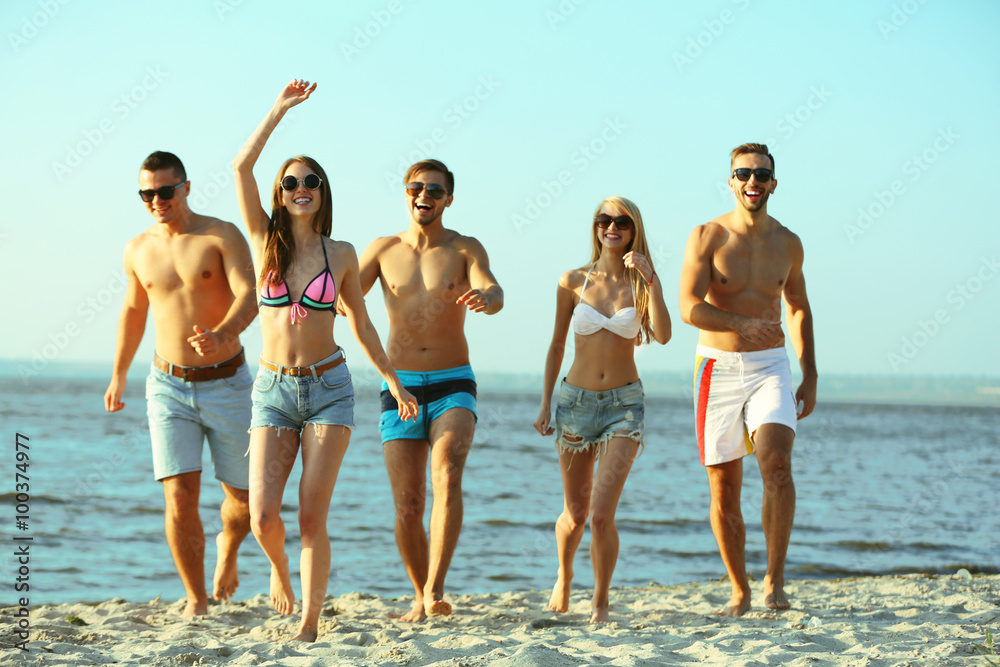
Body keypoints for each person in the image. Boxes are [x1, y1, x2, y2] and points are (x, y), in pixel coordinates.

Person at [233, 79, 418, 642]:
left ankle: (310, 624)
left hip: (329, 388)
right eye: (291, 182)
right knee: (262, 516)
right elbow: (240, 167)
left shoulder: (341, 254)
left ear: (323, 191)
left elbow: (360, 323)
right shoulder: (265, 241)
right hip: (271, 389)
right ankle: (278, 568)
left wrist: (393, 381)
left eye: (311, 181)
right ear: (280, 192)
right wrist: (277, 111)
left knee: (311, 516)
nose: (301, 188)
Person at [104, 151, 257, 617]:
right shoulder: (137, 248)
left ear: (185, 187)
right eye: (147, 193)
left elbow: (250, 293)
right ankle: (196, 599)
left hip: (228, 383)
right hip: (167, 384)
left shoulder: (220, 234)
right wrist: (119, 373)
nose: (156, 200)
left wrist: (224, 334)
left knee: (246, 501)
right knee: (179, 493)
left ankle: (228, 547)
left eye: (165, 191)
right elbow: (133, 311)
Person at [357, 158, 503, 621]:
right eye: (417, 187)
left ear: (448, 199)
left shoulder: (464, 248)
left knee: (448, 472)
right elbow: (340, 296)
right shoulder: (382, 249)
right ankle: (419, 595)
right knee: (409, 502)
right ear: (406, 192)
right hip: (397, 387)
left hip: (452, 380)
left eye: (435, 190)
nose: (425, 195)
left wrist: (490, 299)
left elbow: (493, 289)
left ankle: (437, 587)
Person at [678, 143, 816, 616]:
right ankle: (738, 588)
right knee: (724, 487)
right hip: (715, 369)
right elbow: (689, 306)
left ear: (773, 183)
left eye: (761, 174)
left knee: (777, 464)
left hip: (771, 367)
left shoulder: (789, 243)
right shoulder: (707, 236)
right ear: (732, 182)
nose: (753, 181)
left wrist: (810, 371)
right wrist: (739, 324)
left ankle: (774, 582)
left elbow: (797, 307)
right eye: (744, 173)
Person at [533, 196, 671, 623]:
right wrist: (544, 402)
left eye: (622, 221)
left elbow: (663, 336)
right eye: (604, 220)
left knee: (600, 513)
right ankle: (564, 574)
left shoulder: (641, 282)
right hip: (574, 401)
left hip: (624, 406)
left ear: (634, 229)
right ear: (595, 227)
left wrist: (655, 282)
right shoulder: (572, 280)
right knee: (574, 515)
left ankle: (601, 602)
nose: (612, 227)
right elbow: (556, 344)